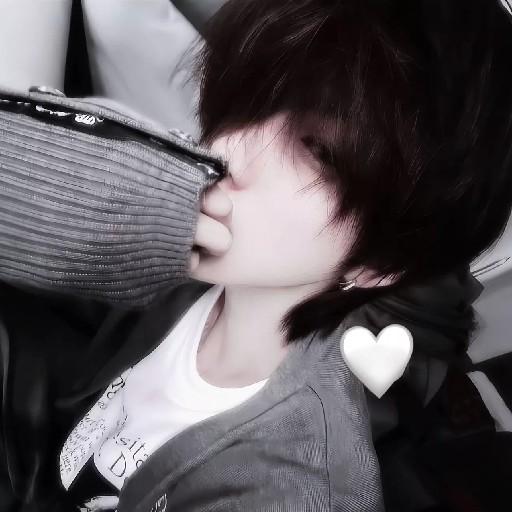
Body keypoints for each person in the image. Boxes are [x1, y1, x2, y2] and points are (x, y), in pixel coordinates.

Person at [0, 0, 511, 510]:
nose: (227, 149)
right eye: (251, 99)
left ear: (382, 262)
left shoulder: (290, 481)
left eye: (319, 151)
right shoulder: (180, 277)